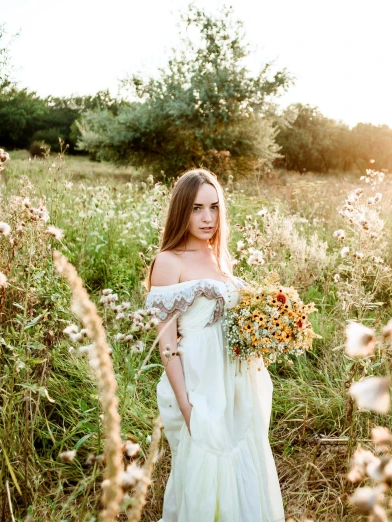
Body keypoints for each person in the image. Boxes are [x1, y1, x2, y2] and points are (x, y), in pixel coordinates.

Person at [145, 169, 284, 522]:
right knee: (206, 469)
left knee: (242, 460)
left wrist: (270, 327)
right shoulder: (169, 261)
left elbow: (232, 321)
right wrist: (187, 406)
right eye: (196, 208)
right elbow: (167, 344)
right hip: (199, 382)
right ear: (181, 211)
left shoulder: (219, 257)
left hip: (236, 380)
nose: (207, 218)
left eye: (214, 207)